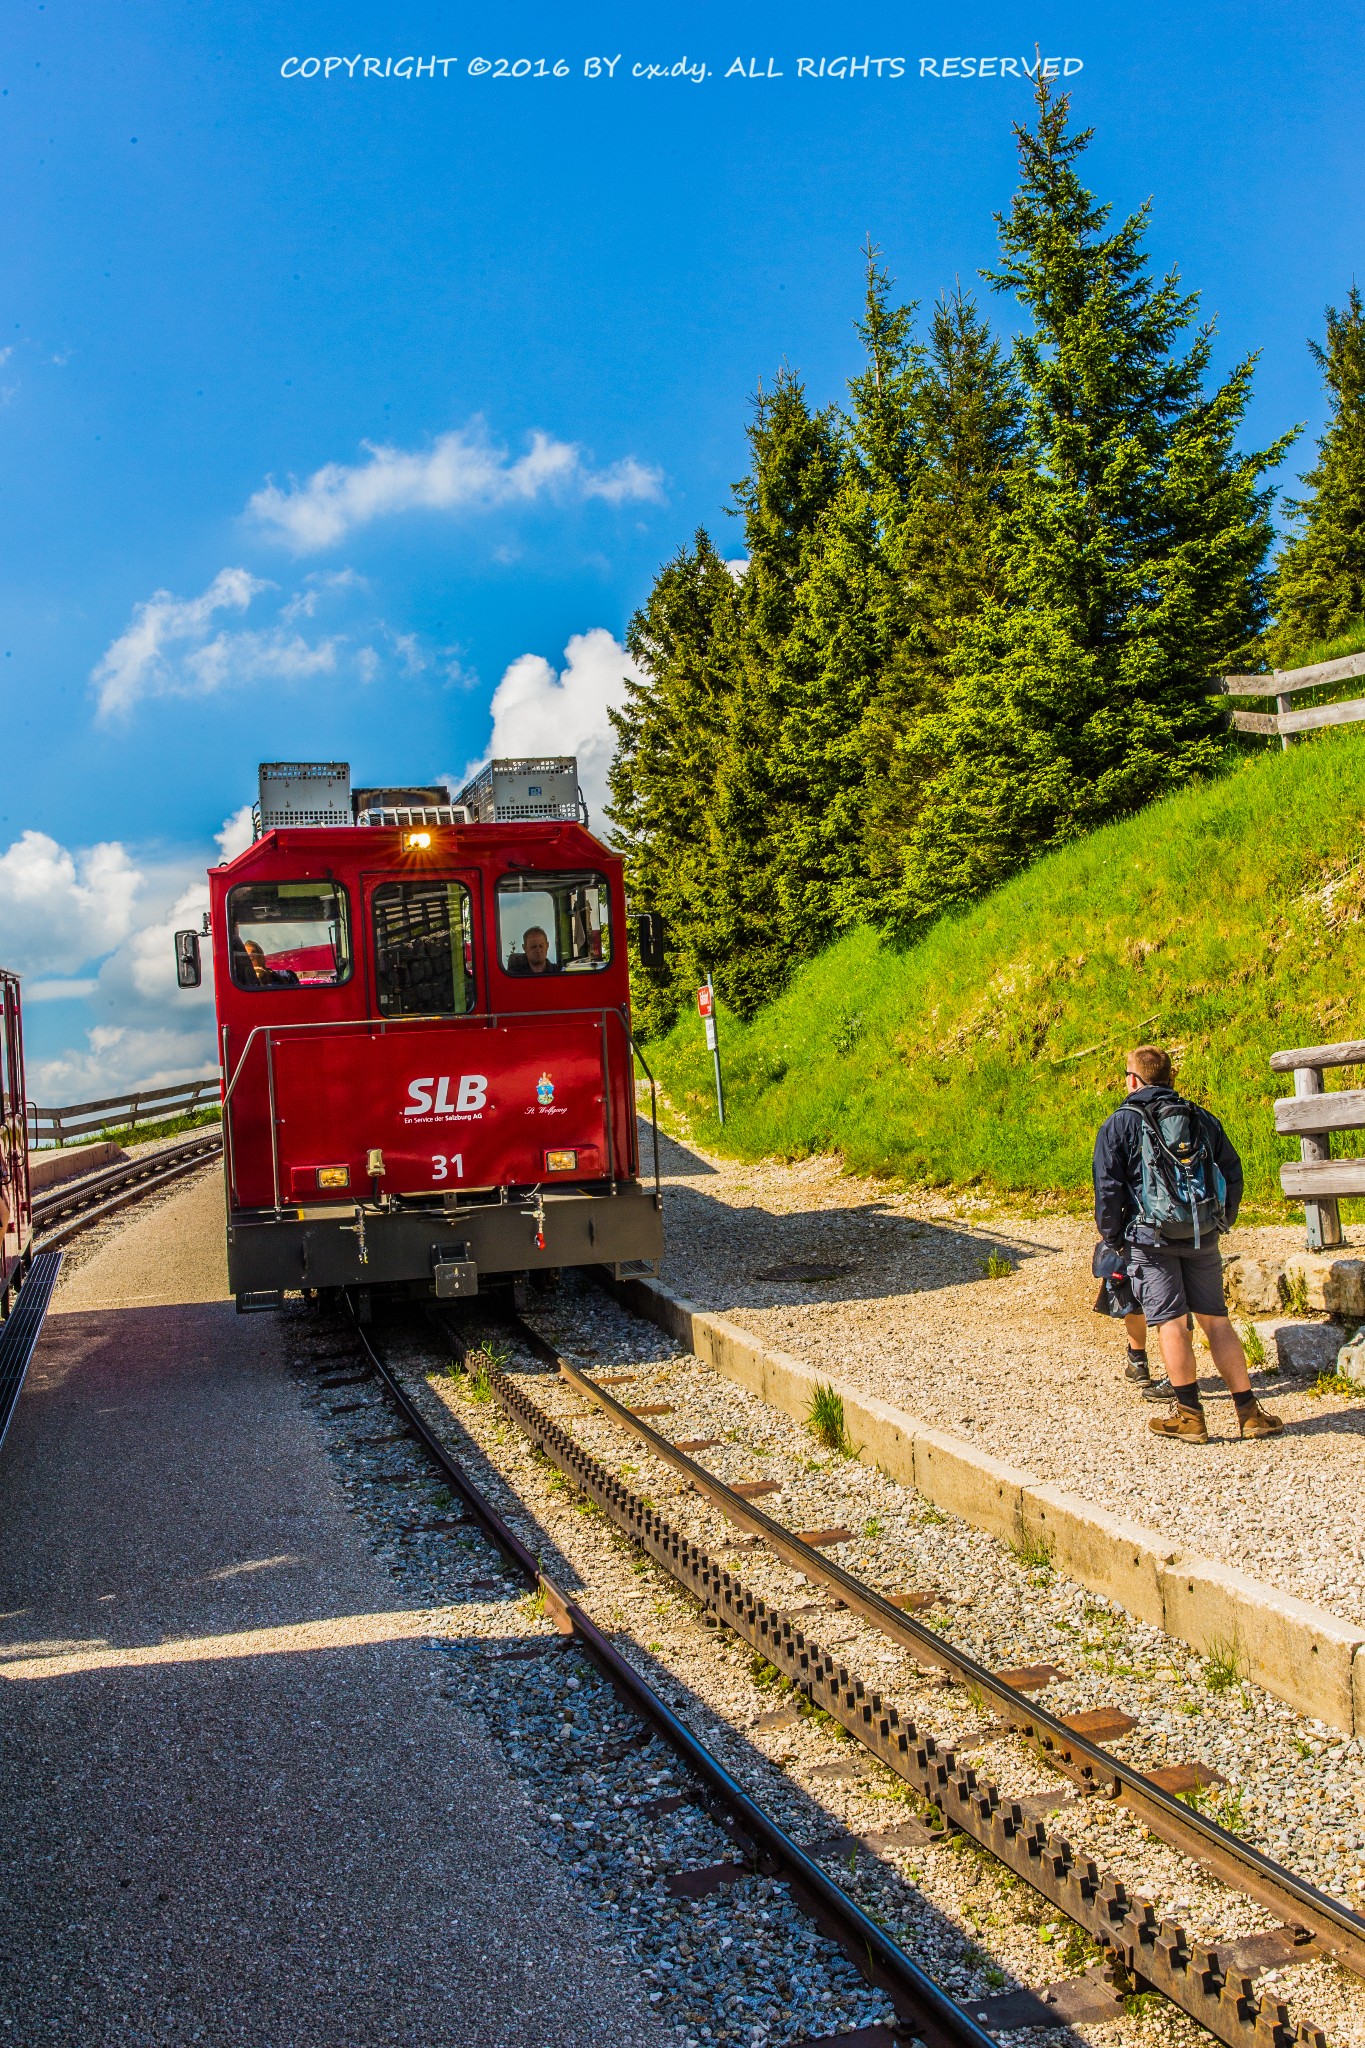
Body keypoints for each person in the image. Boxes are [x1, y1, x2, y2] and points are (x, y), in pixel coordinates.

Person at [1093, 1045, 1282, 1443]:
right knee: (1216, 1321)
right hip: (1201, 1234)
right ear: (1170, 1078)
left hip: (1149, 1238)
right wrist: (1222, 1218)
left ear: (1132, 1079)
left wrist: (1114, 1238)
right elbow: (1231, 1168)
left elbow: (1108, 1187)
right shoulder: (1199, 1117)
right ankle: (1248, 1412)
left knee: (1171, 1324)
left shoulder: (1119, 1123)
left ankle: (1190, 1417)